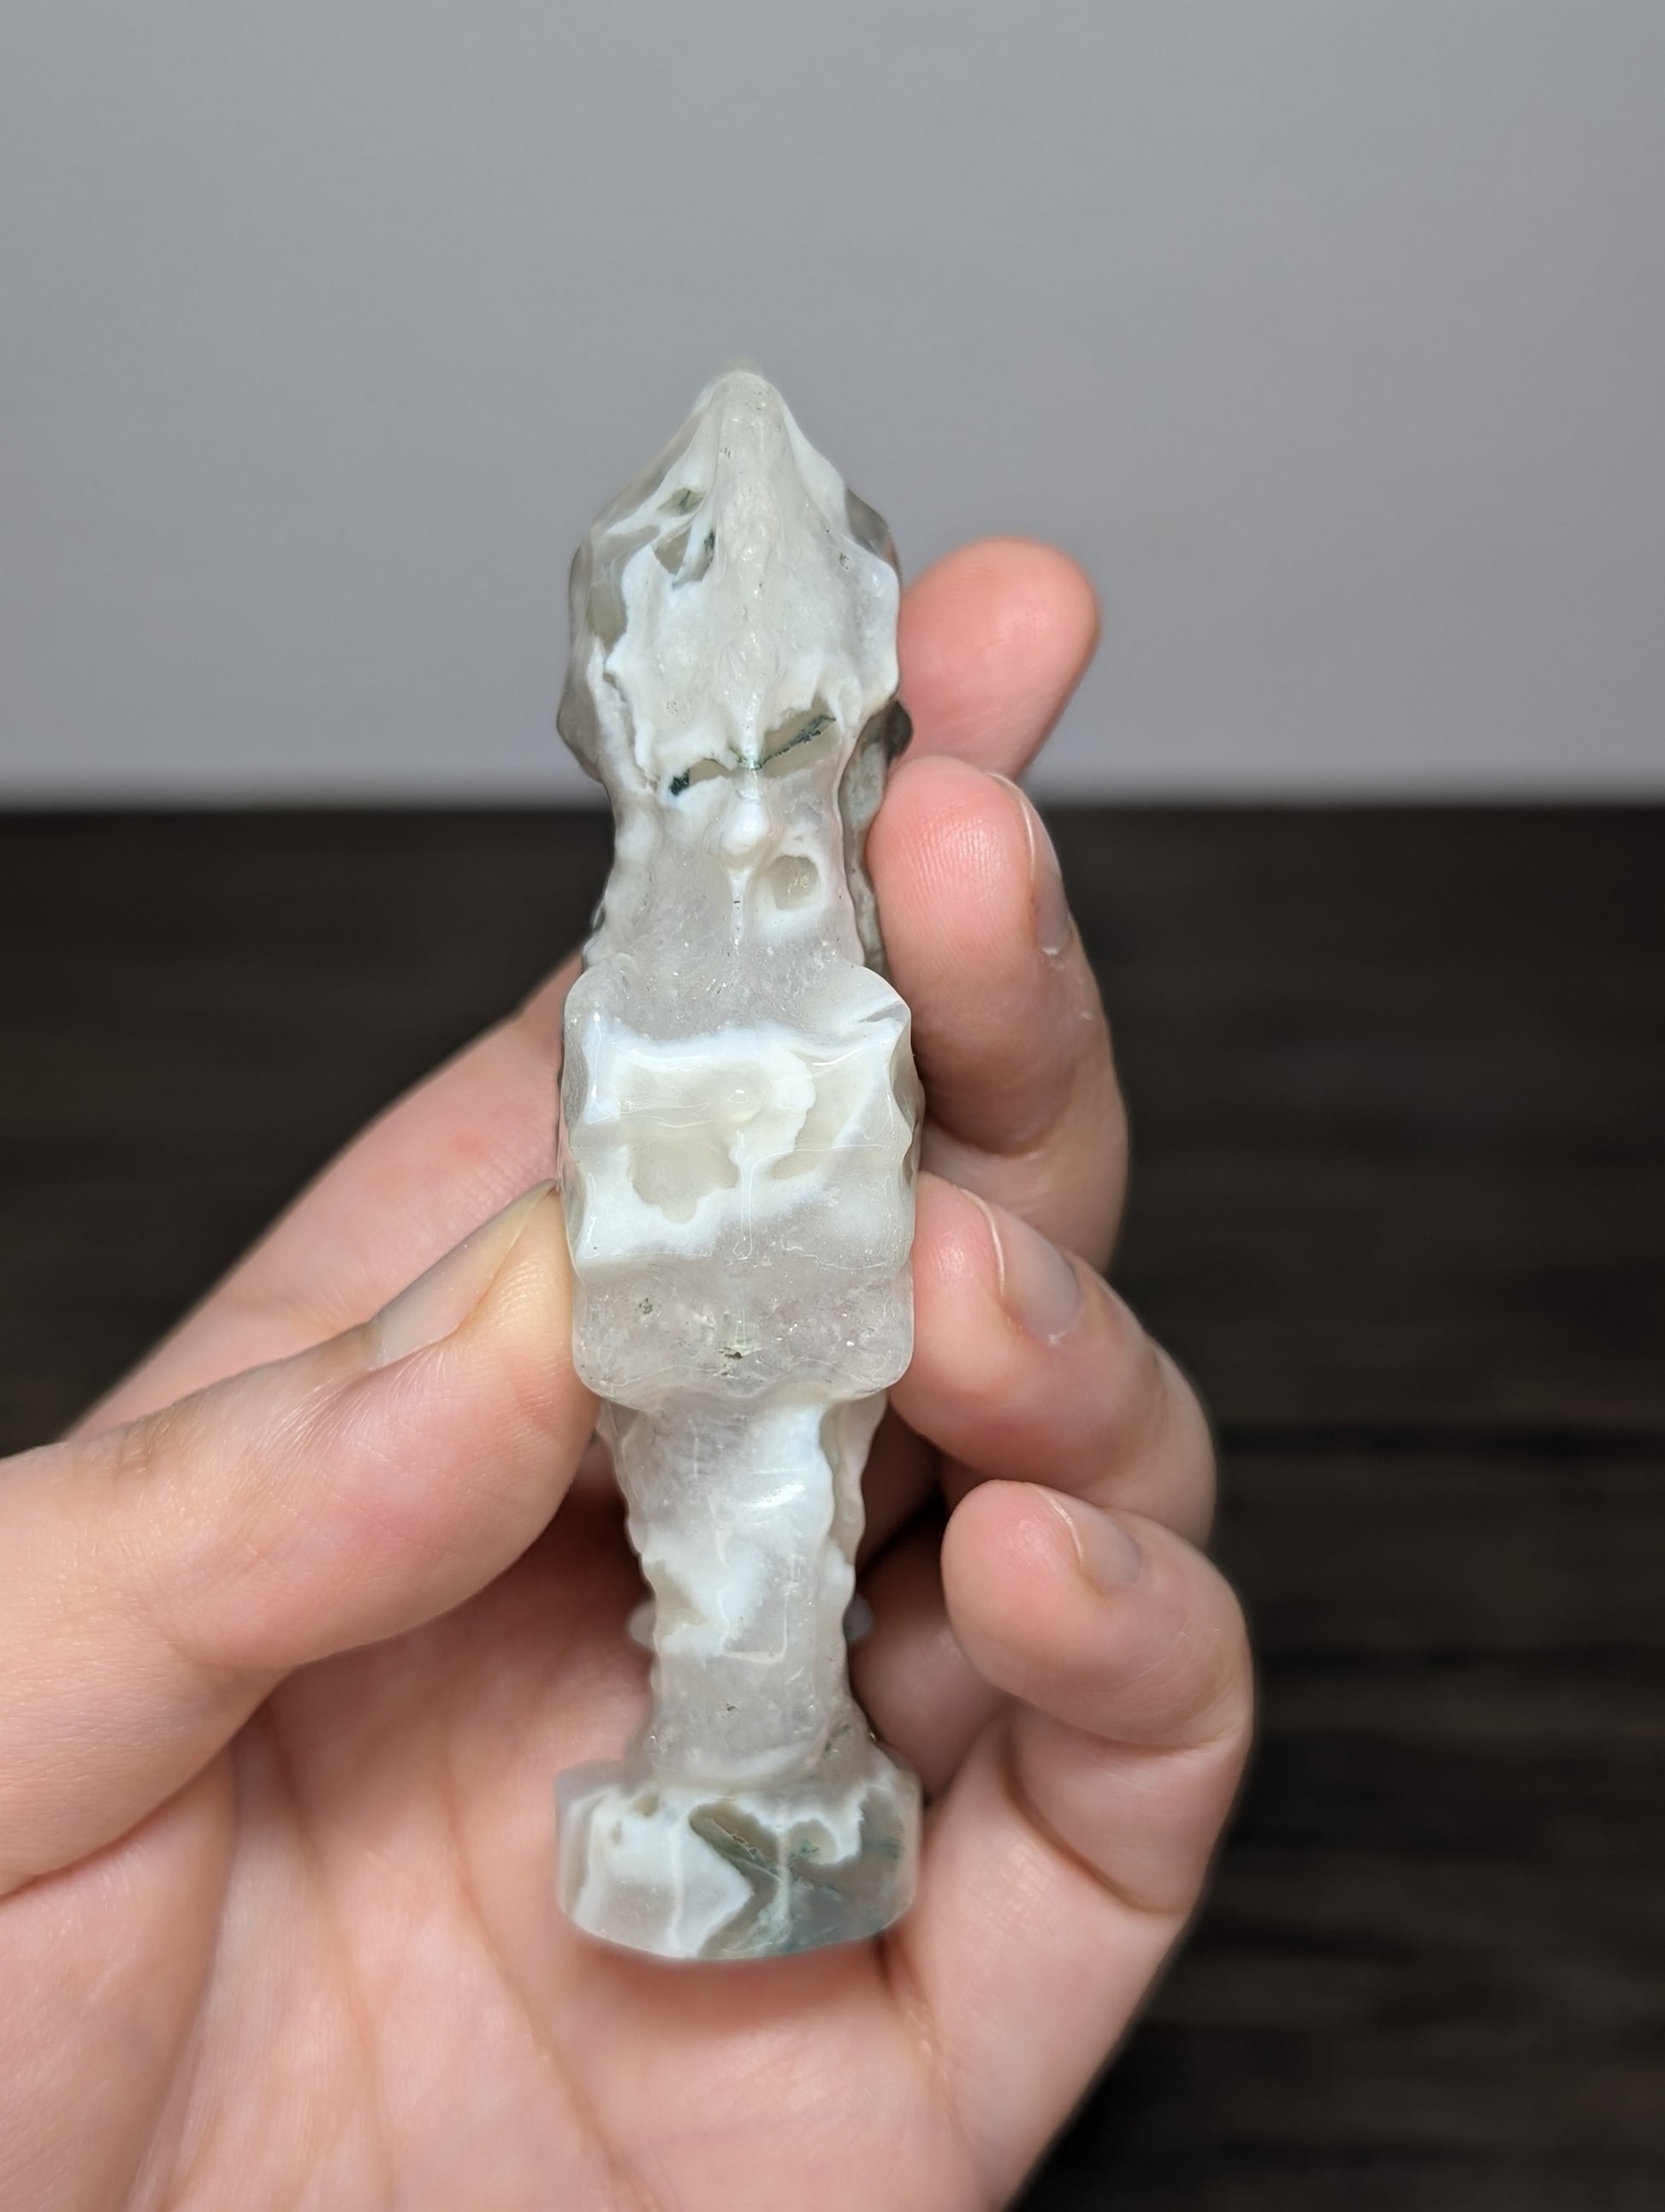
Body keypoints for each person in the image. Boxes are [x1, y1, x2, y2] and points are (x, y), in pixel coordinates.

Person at [0, 539, 1252, 2210]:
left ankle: (768, 1743)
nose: (739, 798)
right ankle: (741, 1740)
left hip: (793, 1323)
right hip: (688, 1314)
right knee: (723, 1518)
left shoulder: (824, 1001)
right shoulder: (648, 1002)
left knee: (793, 1522)